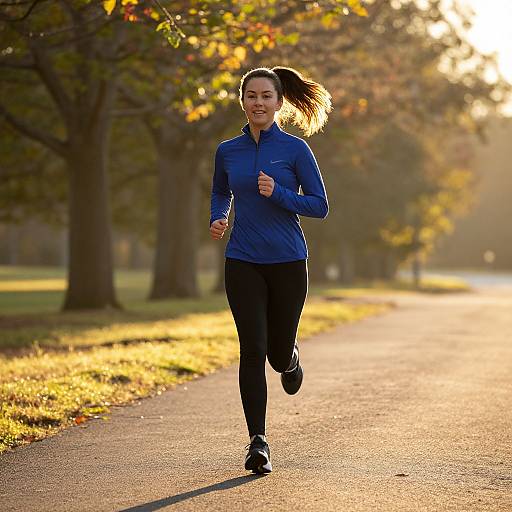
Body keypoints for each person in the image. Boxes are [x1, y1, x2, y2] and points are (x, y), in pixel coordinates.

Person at [209, 66, 331, 474]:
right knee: (252, 349)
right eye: (251, 96)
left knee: (276, 355)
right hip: (242, 260)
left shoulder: (296, 150)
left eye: (266, 96)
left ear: (279, 103)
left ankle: (291, 359)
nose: (258, 103)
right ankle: (257, 442)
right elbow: (219, 189)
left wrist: (278, 193)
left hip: (288, 262)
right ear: (242, 100)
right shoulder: (228, 150)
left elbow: (319, 205)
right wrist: (218, 215)